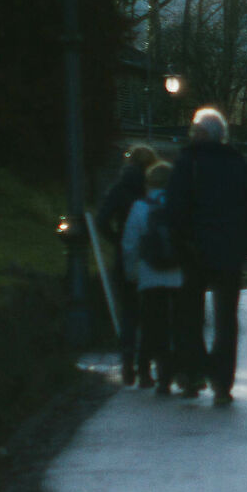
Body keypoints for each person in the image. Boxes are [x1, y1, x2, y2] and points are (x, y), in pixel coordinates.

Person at [163, 108, 247, 406]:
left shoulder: (187, 162)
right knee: (226, 318)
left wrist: (181, 244)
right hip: (230, 252)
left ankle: (192, 373)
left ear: (200, 133)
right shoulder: (237, 163)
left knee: (189, 315)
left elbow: (174, 209)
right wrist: (244, 247)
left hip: (194, 251)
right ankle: (222, 381)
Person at [96, 145, 159, 386]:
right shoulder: (152, 188)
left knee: (129, 313)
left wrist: (117, 240)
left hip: (126, 257)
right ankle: (146, 369)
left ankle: (127, 365)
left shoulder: (119, 188)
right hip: (153, 257)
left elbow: (102, 221)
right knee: (151, 314)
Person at [116, 161, 181, 397]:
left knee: (152, 325)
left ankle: (144, 373)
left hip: (149, 276)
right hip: (177, 276)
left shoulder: (140, 207)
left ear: (149, 183)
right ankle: (169, 376)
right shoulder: (178, 205)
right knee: (175, 327)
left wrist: (131, 273)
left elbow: (130, 244)